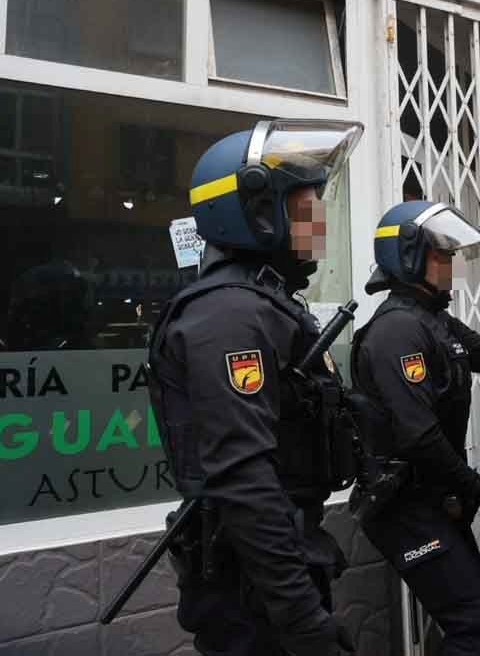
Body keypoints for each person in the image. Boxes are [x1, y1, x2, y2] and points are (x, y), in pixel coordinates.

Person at [147, 118, 364, 655]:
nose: (318, 222)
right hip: (253, 596)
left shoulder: (262, 304)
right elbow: (244, 480)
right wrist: (303, 622)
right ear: (256, 210)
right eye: (304, 206)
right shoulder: (227, 316)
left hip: (272, 576)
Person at [349, 199, 480, 656]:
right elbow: (417, 433)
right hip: (407, 506)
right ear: (410, 258)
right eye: (442, 255)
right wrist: (469, 483)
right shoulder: (397, 330)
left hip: (434, 500)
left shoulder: (432, 320)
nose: (451, 264)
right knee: (479, 629)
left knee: (466, 623)